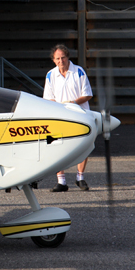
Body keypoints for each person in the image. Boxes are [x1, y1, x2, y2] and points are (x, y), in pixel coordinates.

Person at [43, 44, 93, 192]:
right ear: (53, 60)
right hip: (59, 117)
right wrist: (60, 108)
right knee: (56, 146)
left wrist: (72, 103)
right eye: (57, 58)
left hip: (80, 116)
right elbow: (48, 99)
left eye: (63, 57)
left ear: (68, 57)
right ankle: (61, 181)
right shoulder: (50, 75)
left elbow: (88, 94)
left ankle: (80, 178)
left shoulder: (79, 72)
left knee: (84, 146)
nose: (61, 61)